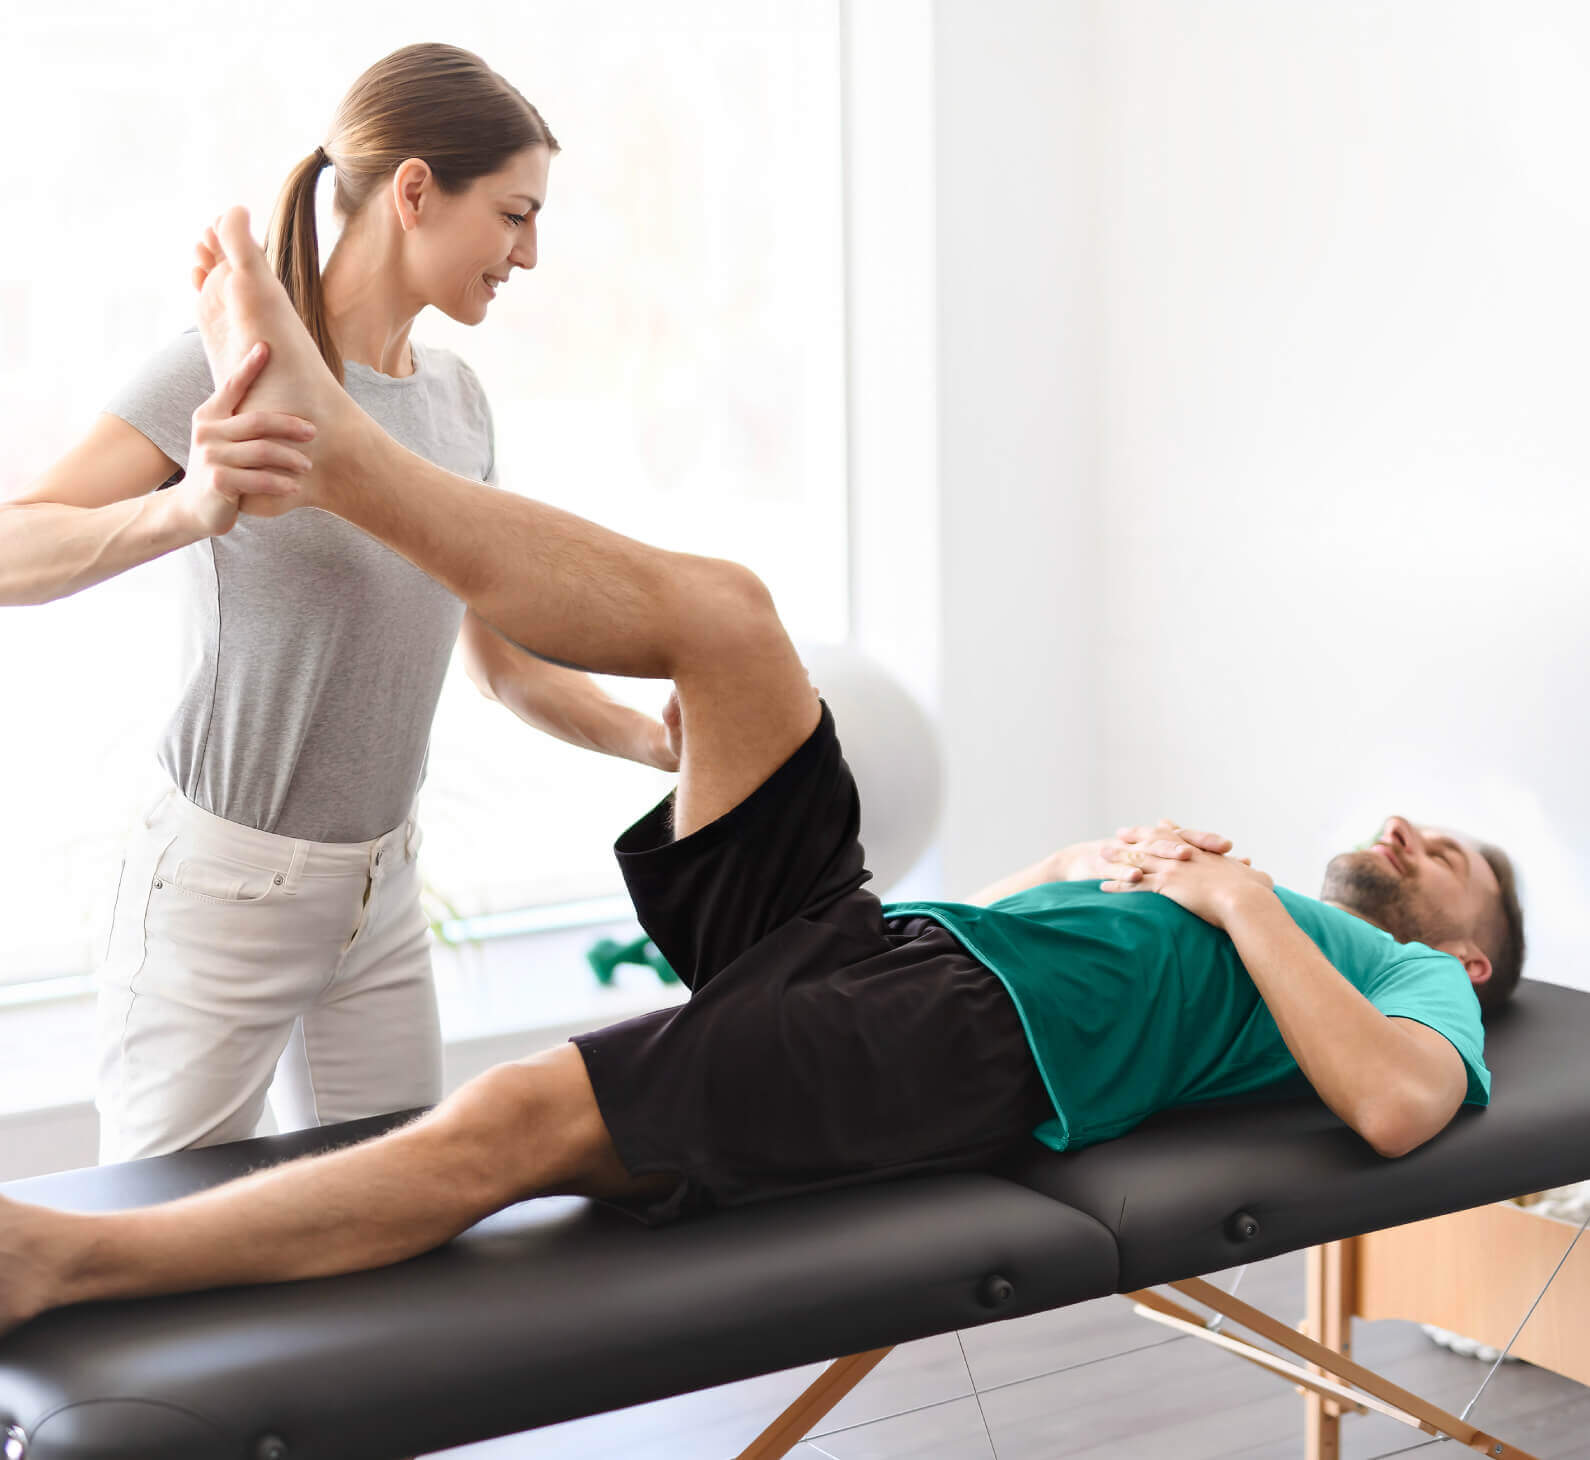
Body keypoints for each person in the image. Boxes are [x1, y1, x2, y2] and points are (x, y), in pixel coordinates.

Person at [0, 206, 1527, 1336]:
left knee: (516, 1120)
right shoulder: (1261, 927)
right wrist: (1088, 873)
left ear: (1462, 946)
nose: (1406, 830)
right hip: (889, 952)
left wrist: (1238, 903)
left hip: (940, 1049)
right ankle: (340, 450)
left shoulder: (1410, 986)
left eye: (1445, 849)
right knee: (724, 617)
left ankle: (56, 1260)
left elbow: (1396, 1112)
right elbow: (1012, 937)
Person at [0, 44, 677, 1165]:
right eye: (513, 213)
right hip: (222, 894)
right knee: (160, 1265)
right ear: (415, 190)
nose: (532, 252)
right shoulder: (229, 370)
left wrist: (646, 735)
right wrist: (190, 507)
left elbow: (499, 653)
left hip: (381, 894)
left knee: (391, 1244)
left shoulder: (456, 403)